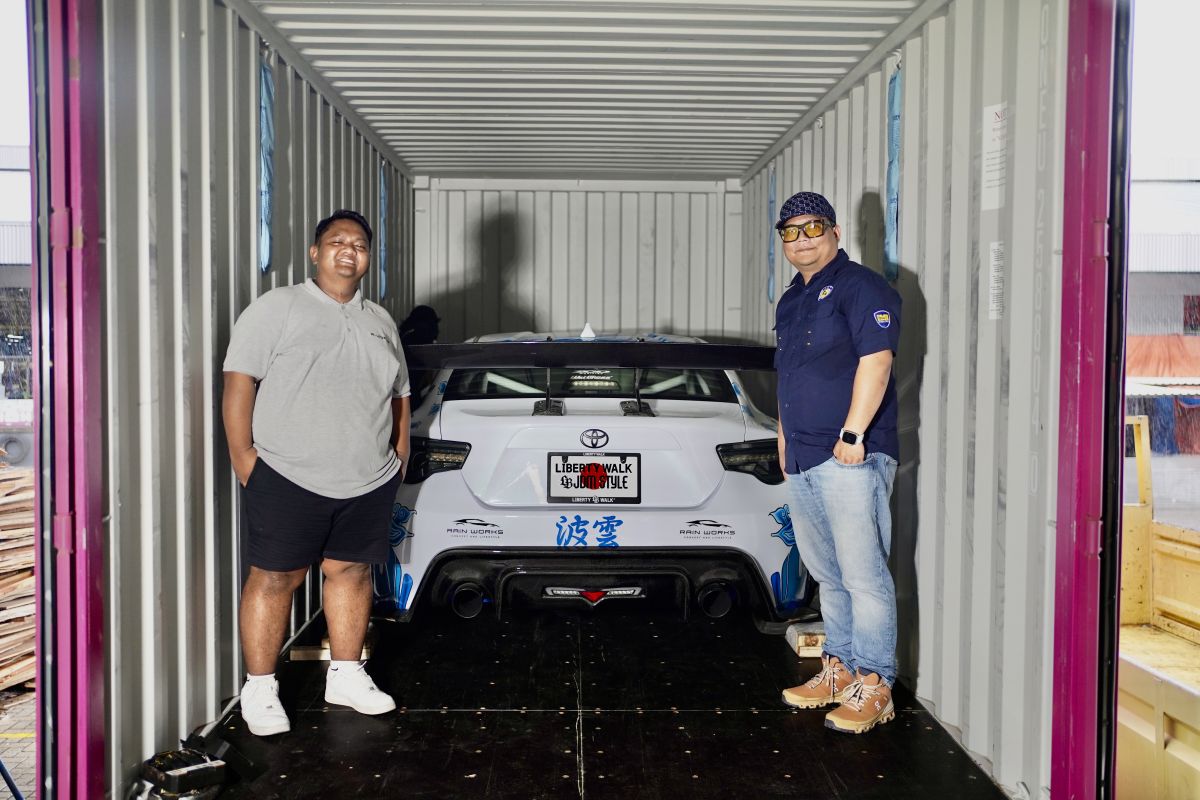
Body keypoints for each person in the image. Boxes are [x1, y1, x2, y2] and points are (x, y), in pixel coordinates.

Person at [222, 209, 411, 737]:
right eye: (336, 241)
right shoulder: (276, 308)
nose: (349, 250)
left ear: (368, 258)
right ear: (315, 252)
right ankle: (260, 688)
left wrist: (399, 455)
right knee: (274, 578)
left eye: (359, 244)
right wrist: (244, 458)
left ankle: (346, 676)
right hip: (287, 474)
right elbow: (239, 382)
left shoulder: (380, 321)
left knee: (351, 572)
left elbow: (400, 393)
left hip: (368, 478)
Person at [772, 191, 902, 734]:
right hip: (803, 457)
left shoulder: (862, 287)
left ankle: (875, 683)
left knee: (863, 576)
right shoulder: (790, 300)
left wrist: (853, 433)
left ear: (835, 231)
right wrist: (783, 439)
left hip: (849, 455)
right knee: (829, 574)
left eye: (813, 228)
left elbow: (877, 360)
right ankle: (840, 669)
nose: (802, 240)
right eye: (791, 231)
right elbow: (789, 375)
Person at [398, 304, 440, 402]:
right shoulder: (417, 339)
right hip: (410, 391)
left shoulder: (406, 337)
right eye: (433, 324)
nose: (437, 330)